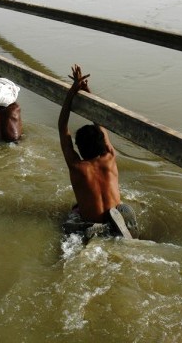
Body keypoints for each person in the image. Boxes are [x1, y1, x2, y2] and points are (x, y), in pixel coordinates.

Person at [59, 64, 138, 240]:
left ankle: (92, 227)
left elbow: (62, 127)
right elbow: (100, 124)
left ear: (79, 148)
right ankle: (121, 223)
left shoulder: (77, 166)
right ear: (102, 143)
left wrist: (71, 92)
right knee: (120, 207)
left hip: (91, 221)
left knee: (72, 213)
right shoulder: (110, 157)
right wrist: (87, 91)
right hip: (113, 214)